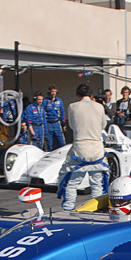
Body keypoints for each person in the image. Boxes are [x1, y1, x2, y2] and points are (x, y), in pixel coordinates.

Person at [57, 83, 109, 211]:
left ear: (77, 95)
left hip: (79, 150)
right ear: (91, 95)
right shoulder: (99, 107)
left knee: (71, 183)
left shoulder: (73, 107)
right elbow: (103, 125)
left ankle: (68, 208)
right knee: (97, 184)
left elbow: (73, 126)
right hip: (97, 150)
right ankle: (97, 210)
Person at [43, 85, 66, 151]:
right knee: (49, 143)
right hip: (48, 124)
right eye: (52, 91)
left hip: (57, 123)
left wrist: (63, 123)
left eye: (55, 91)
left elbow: (62, 113)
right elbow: (42, 113)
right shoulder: (45, 101)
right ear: (49, 92)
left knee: (62, 142)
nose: (53, 93)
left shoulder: (59, 101)